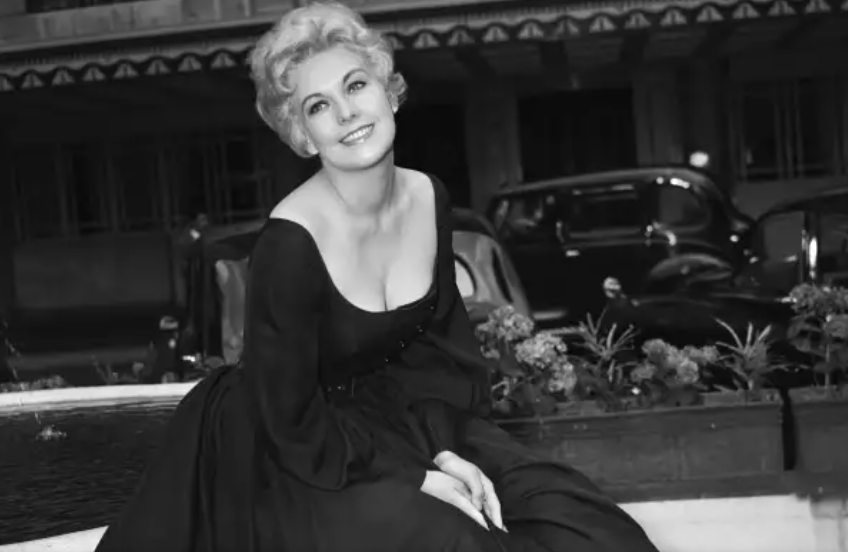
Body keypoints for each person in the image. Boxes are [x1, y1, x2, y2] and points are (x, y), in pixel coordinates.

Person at [95, 2, 660, 551]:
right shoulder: (291, 241)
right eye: (319, 105)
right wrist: (416, 476)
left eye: (356, 86)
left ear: (389, 92)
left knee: (588, 524)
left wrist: (447, 450)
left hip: (404, 414)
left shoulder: (428, 196)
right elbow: (287, 414)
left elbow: (441, 352)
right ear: (302, 135)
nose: (347, 113)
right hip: (292, 441)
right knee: (455, 538)